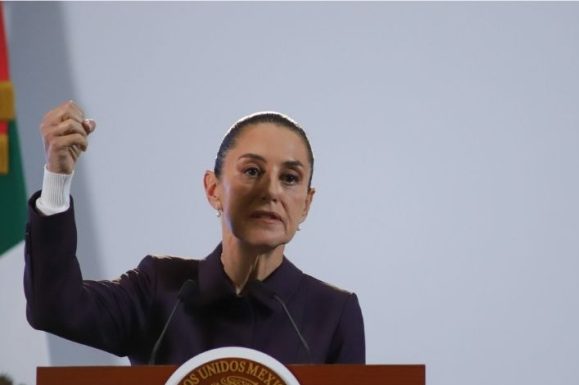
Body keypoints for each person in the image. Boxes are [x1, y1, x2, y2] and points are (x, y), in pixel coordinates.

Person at [24, 101, 365, 365]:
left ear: (306, 203)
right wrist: (57, 179)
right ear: (213, 189)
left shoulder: (334, 313)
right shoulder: (159, 288)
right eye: (252, 171)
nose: (271, 191)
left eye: (290, 178)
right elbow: (54, 307)